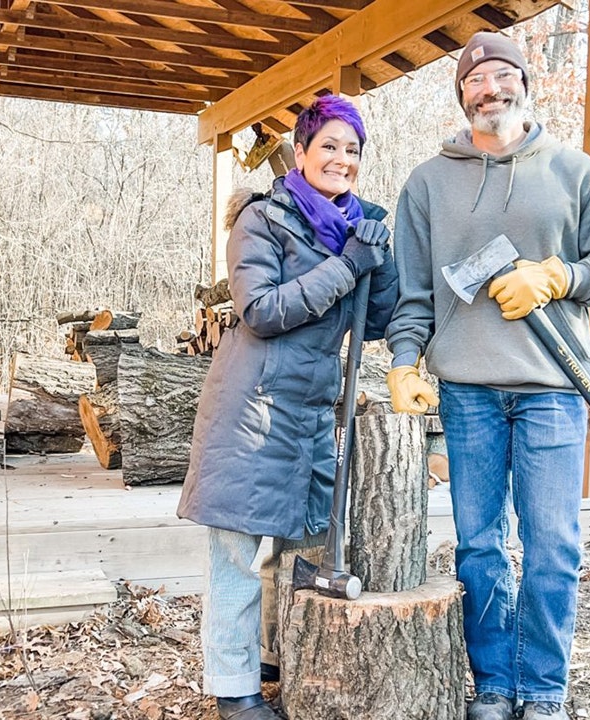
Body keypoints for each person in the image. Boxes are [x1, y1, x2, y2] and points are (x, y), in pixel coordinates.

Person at [383, 32, 590, 720]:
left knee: (553, 545)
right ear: (461, 92)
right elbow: (414, 293)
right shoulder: (428, 183)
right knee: (479, 547)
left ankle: (545, 689)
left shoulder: (576, 172)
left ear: (525, 84)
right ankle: (495, 684)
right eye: (476, 79)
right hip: (467, 390)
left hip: (554, 389)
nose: (489, 88)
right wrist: (404, 361)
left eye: (503, 75)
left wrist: (560, 275)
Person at [178, 95, 398, 720]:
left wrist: (377, 263)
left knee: (300, 547)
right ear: (300, 153)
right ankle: (234, 688)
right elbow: (262, 311)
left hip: (308, 413)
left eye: (352, 149)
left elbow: (374, 322)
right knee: (240, 555)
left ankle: (278, 658)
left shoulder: (355, 226)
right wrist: (347, 264)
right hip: (252, 407)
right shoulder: (262, 220)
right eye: (328, 145)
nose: (341, 159)